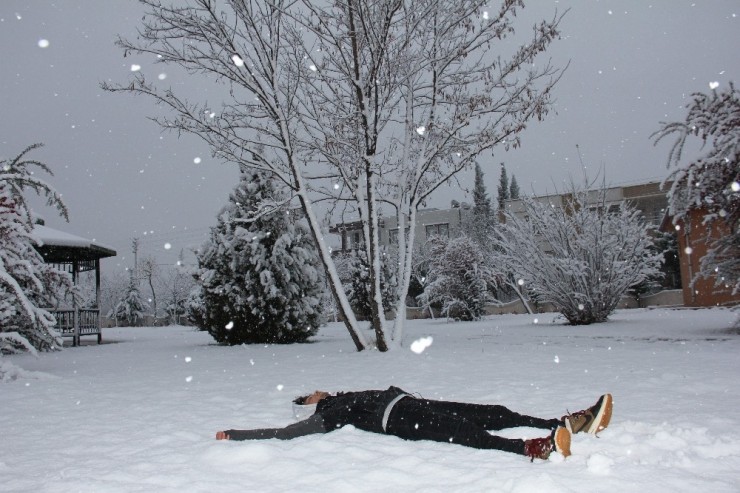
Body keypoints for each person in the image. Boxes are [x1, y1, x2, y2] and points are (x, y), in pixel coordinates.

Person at [216, 387, 613, 461]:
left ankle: (566, 423)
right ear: (309, 406)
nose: (318, 392)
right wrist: (236, 434)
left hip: (411, 402)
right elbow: (285, 434)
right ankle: (532, 447)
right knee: (467, 435)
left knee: (492, 410)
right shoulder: (328, 416)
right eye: (311, 395)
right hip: (401, 419)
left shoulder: (342, 395)